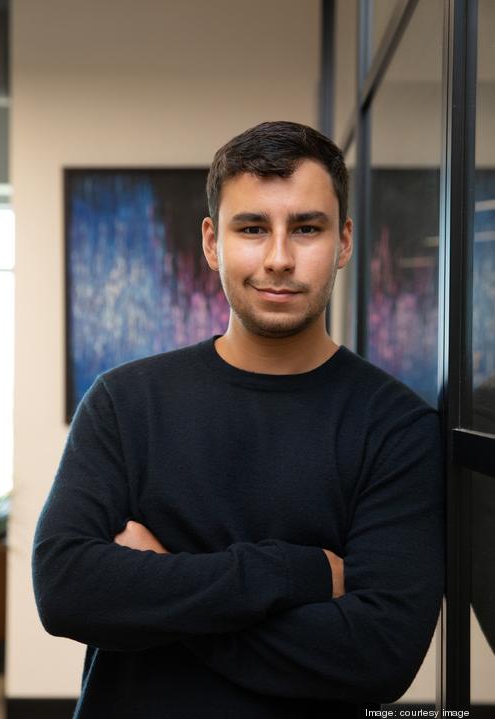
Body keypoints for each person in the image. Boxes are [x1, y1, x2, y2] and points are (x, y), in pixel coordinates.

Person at [32, 120, 444, 719]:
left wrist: (162, 585)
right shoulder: (125, 401)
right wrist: (296, 572)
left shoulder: (398, 429)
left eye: (306, 228)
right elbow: (66, 589)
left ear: (345, 241)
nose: (279, 258)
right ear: (211, 242)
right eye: (252, 228)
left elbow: (379, 655)